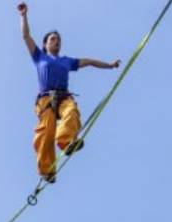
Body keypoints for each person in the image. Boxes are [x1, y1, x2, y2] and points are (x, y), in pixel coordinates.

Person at [19, 4, 120, 183]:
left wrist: (109, 65)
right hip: (45, 100)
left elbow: (88, 61)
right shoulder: (39, 57)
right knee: (46, 132)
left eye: (58, 40)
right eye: (52, 39)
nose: (56, 42)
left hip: (63, 97)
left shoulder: (67, 61)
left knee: (71, 112)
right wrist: (24, 16)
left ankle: (67, 142)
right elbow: (26, 36)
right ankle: (48, 169)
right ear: (45, 44)